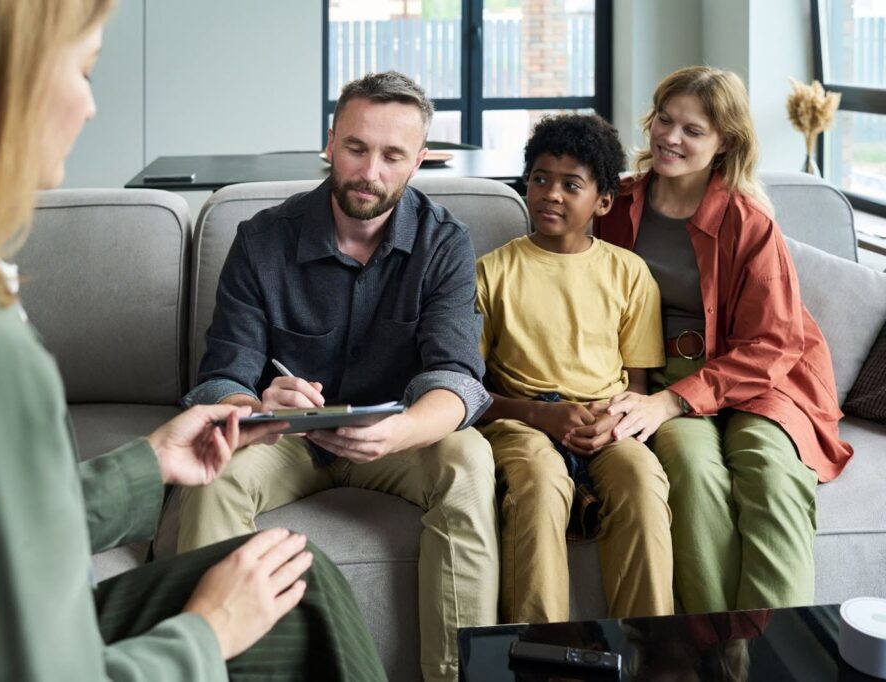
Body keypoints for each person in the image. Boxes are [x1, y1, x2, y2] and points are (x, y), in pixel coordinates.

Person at [0, 1, 386, 679]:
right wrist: (207, 631)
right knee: (294, 591)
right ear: (0, 85)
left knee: (301, 587)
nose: (90, 108)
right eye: (83, 70)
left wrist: (149, 463)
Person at [177, 71, 499, 682]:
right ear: (330, 142)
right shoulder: (261, 240)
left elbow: (456, 375)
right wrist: (258, 405)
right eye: (356, 148)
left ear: (418, 161)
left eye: (392, 155)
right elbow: (222, 375)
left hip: (399, 439)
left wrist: (400, 432)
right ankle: (204, 669)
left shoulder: (444, 243)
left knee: (470, 461)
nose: (370, 171)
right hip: (287, 439)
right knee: (214, 465)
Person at [595, 65, 853, 614]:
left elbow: (774, 344)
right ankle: (716, 655)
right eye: (665, 120)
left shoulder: (748, 220)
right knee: (691, 470)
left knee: (769, 473)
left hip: (761, 377)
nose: (670, 137)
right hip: (662, 372)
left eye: (693, 130)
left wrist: (671, 401)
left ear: (724, 143)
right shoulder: (615, 206)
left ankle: (779, 656)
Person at [476, 114, 674, 624]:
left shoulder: (629, 273)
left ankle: (651, 653)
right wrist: (545, 418)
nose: (552, 194)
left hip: (608, 420)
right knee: (539, 484)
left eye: (571, 184)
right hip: (521, 423)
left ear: (603, 201)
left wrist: (614, 422)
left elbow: (638, 386)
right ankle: (541, 659)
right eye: (540, 179)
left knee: (641, 479)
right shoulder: (491, 273)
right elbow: (468, 393)